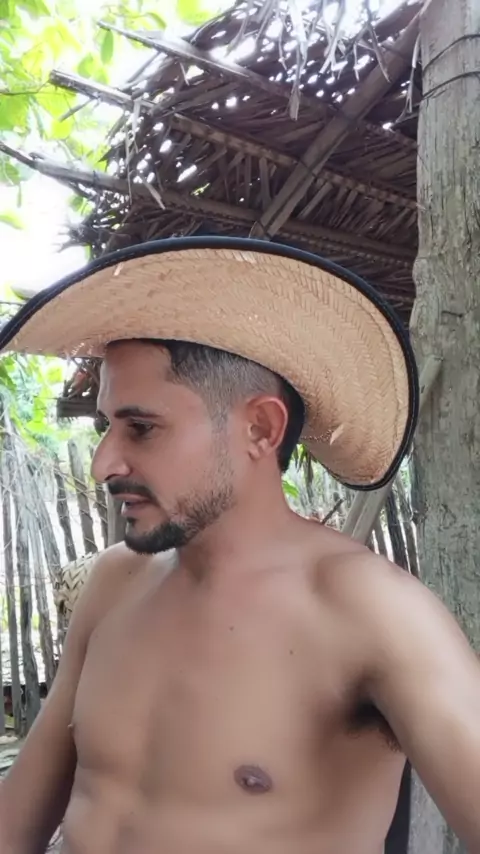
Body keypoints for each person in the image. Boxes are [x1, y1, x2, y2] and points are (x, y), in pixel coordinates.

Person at [0, 237, 479, 854]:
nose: (103, 464)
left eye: (141, 427)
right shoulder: (115, 583)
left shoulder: (371, 612)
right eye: (106, 426)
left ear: (260, 428)